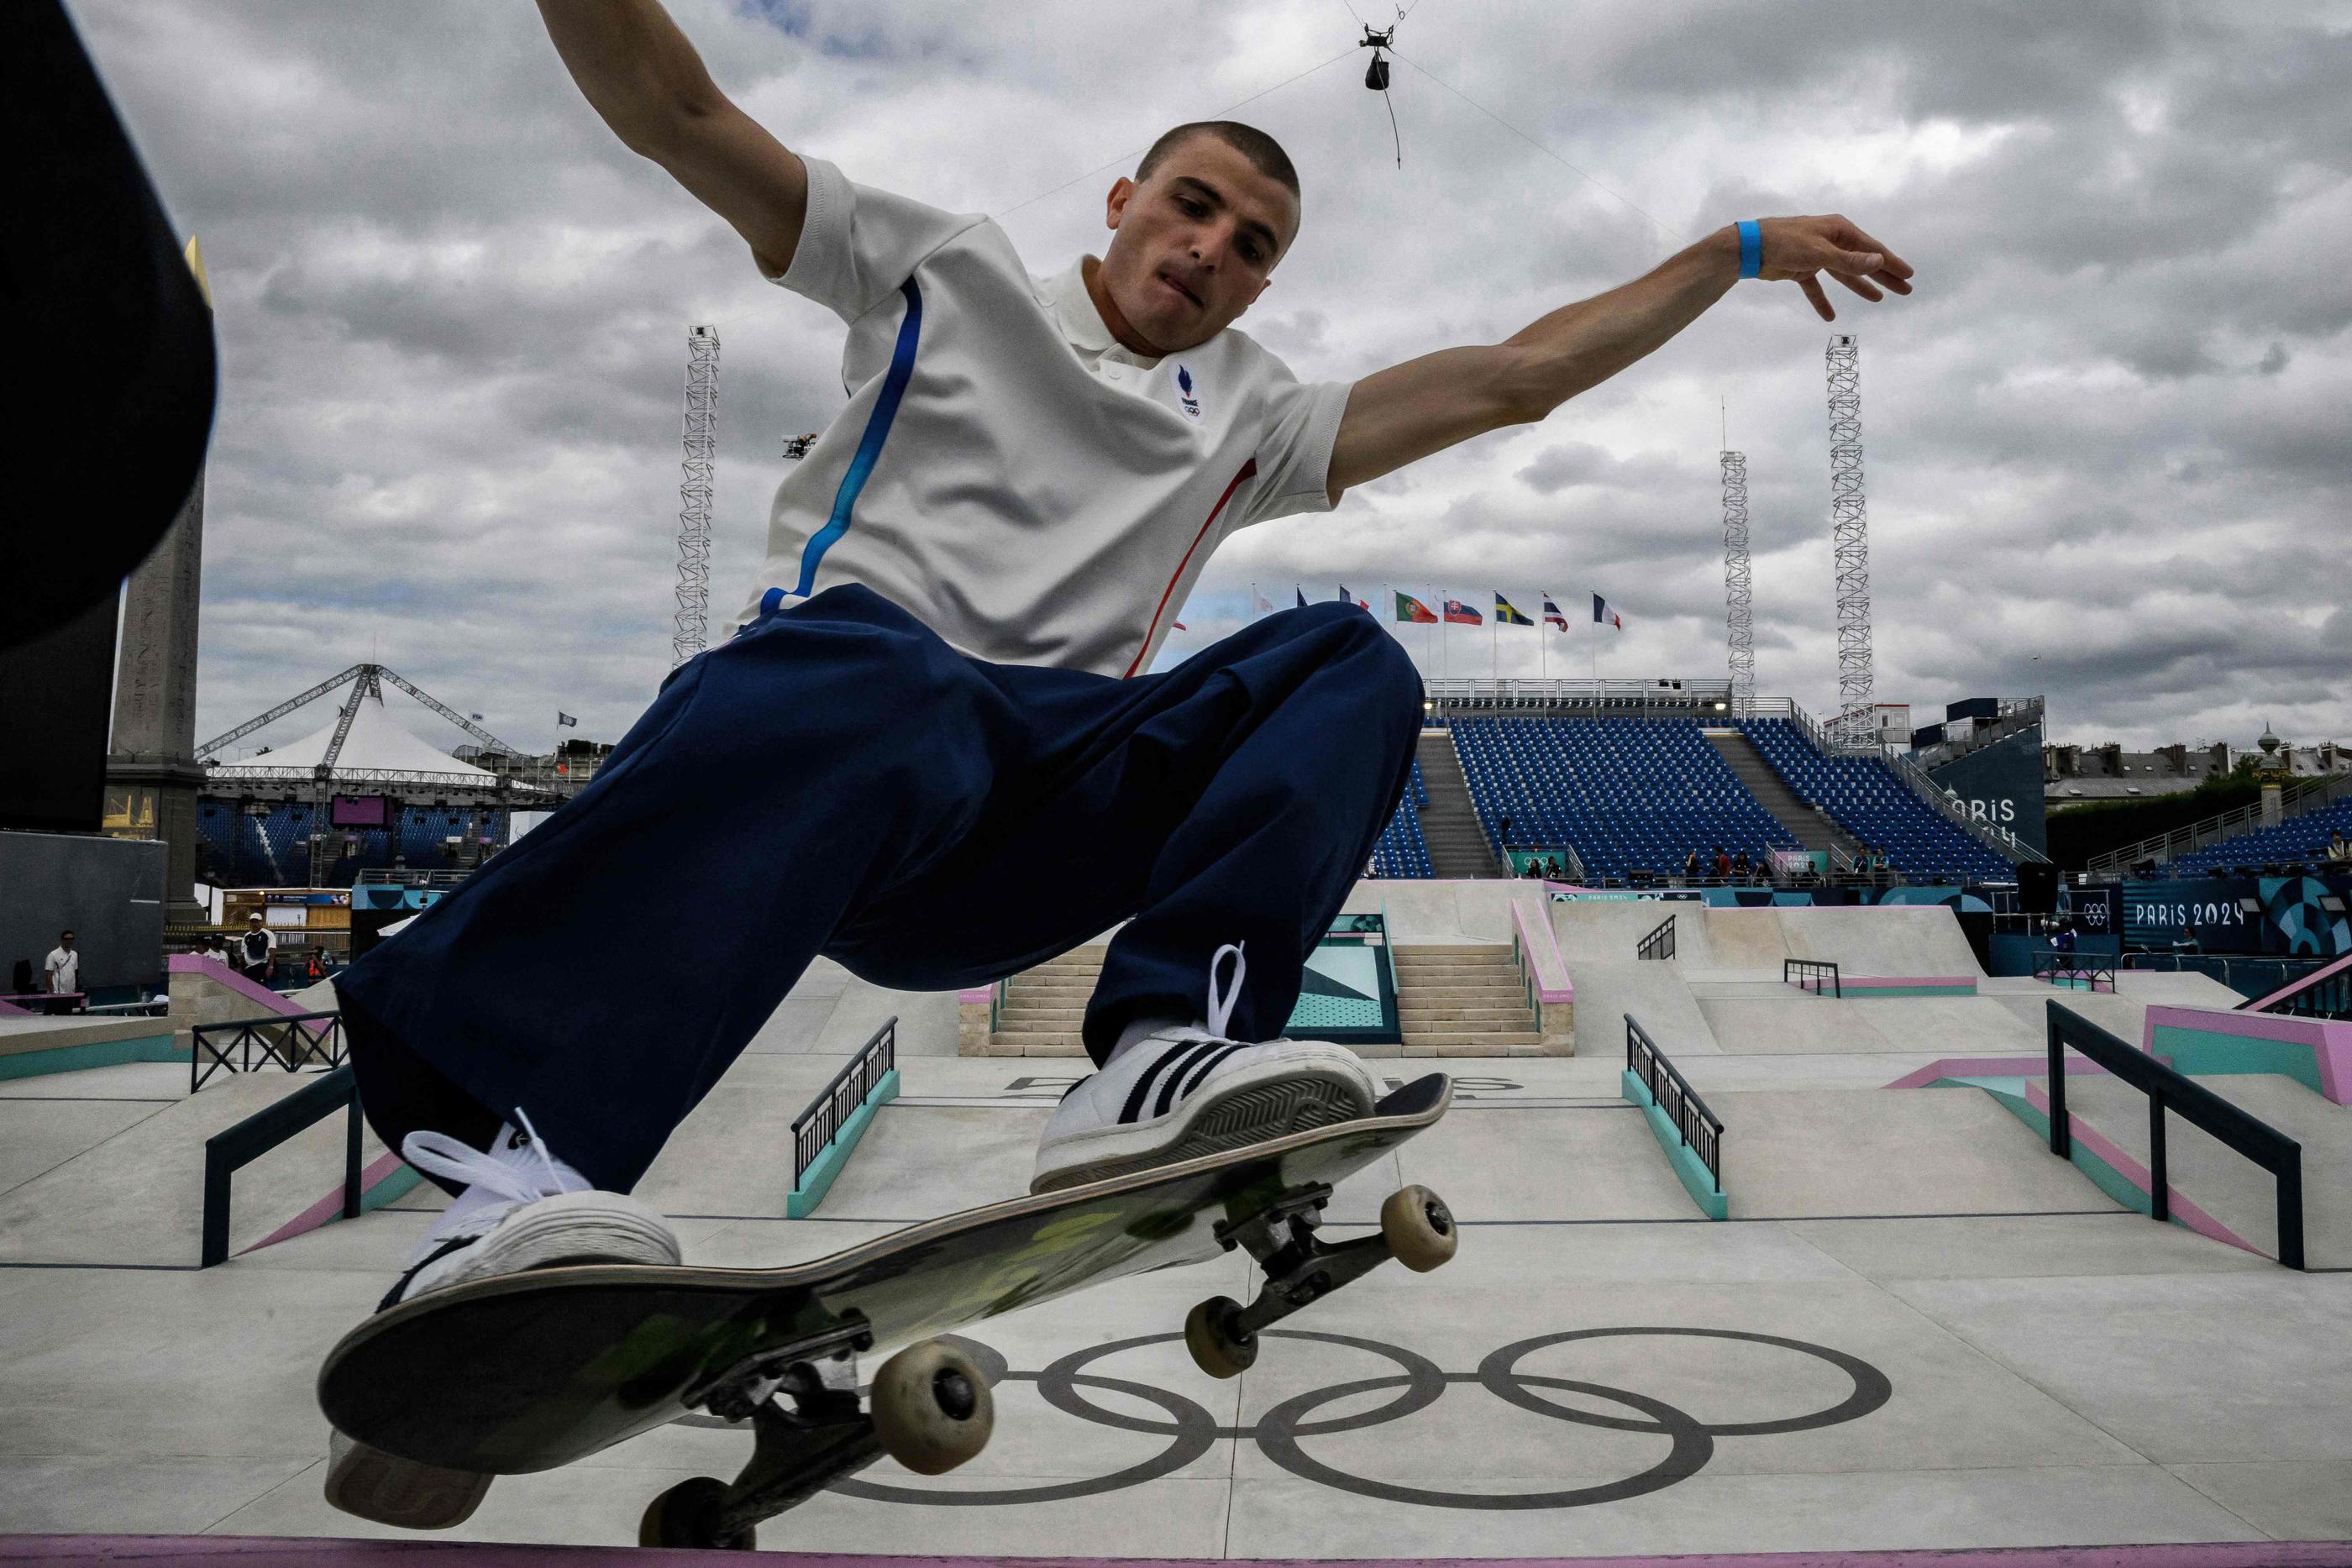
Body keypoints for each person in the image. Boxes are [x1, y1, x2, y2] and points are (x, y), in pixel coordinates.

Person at [321, 0, 1914, 1528]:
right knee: (885, 665)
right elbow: (672, 109)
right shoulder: (941, 266)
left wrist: (1739, 249)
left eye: (1252, 247)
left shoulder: (1256, 416)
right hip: (836, 748)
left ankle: (1161, 1051)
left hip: (1034, 819)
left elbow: (1518, 376)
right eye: (1192, 209)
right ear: (1122, 201)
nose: (1211, 254)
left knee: (1350, 663)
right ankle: (517, 1198)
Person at [42, 930, 80, 1015]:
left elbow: (74, 972)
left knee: (66, 1019)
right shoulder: (53, 955)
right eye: (67, 939)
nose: (69, 941)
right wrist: (52, 992)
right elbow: (48, 974)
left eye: (71, 939)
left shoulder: (74, 954)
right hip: (57, 994)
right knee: (50, 1020)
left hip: (70, 994)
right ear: (62, 940)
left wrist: (74, 989)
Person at [234, 914, 275, 983]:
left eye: (256, 921)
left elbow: (272, 950)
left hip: (262, 965)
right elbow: (243, 953)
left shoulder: (268, 934)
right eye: (252, 922)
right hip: (249, 967)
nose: (254, 924)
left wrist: (270, 966)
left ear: (261, 922)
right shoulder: (246, 936)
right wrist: (240, 968)